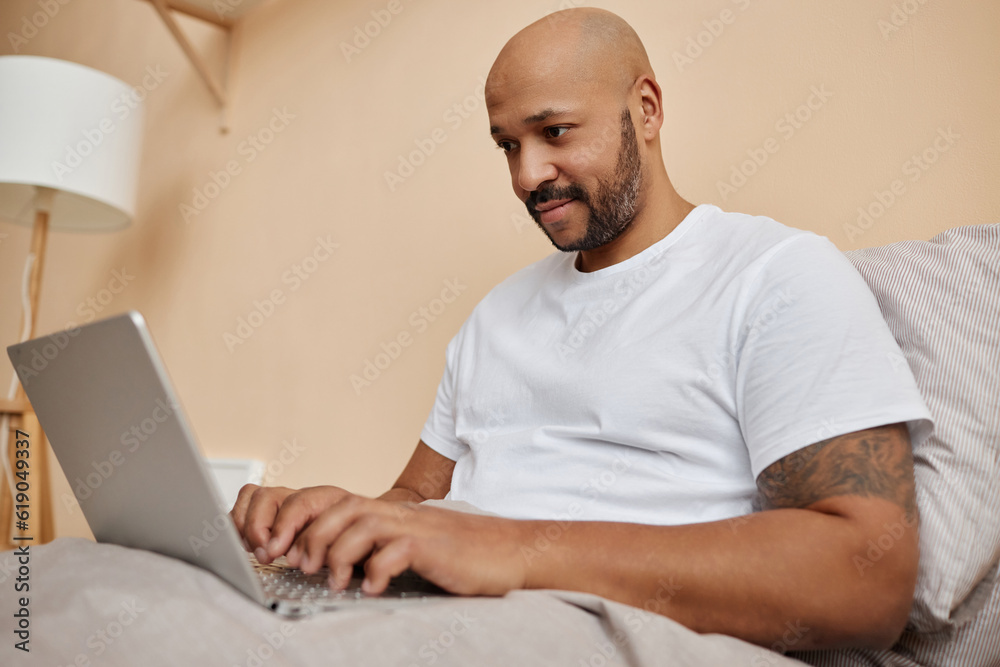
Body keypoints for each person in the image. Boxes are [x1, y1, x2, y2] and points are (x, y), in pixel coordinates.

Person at [231, 8, 932, 650]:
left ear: (646, 109)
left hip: (609, 627)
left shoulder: (775, 275)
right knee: (176, 591)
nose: (527, 175)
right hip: (440, 613)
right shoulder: (499, 312)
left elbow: (865, 578)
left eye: (554, 132)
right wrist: (334, 519)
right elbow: (417, 501)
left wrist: (515, 550)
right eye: (507, 145)